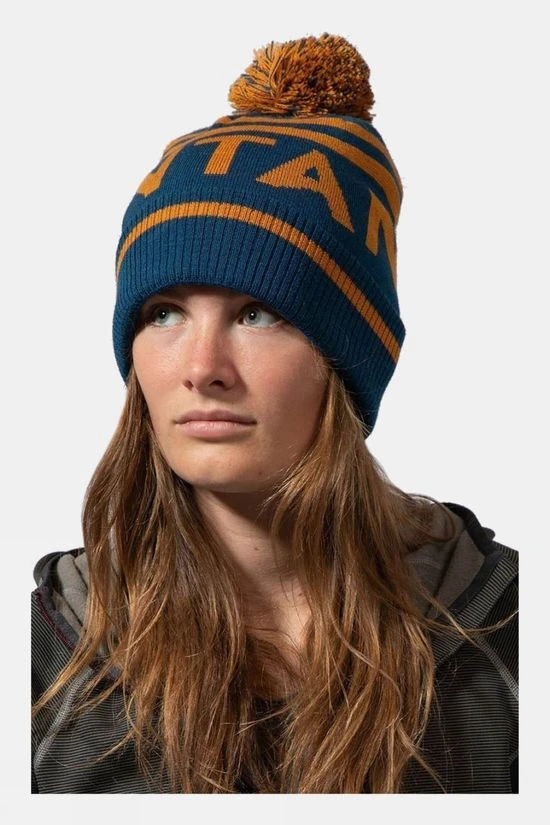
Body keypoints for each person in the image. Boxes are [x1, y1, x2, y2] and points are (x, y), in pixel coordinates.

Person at [31, 33, 518, 794]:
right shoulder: (47, 661)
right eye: (164, 313)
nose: (201, 367)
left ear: (346, 357)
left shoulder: (505, 638)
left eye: (256, 313)